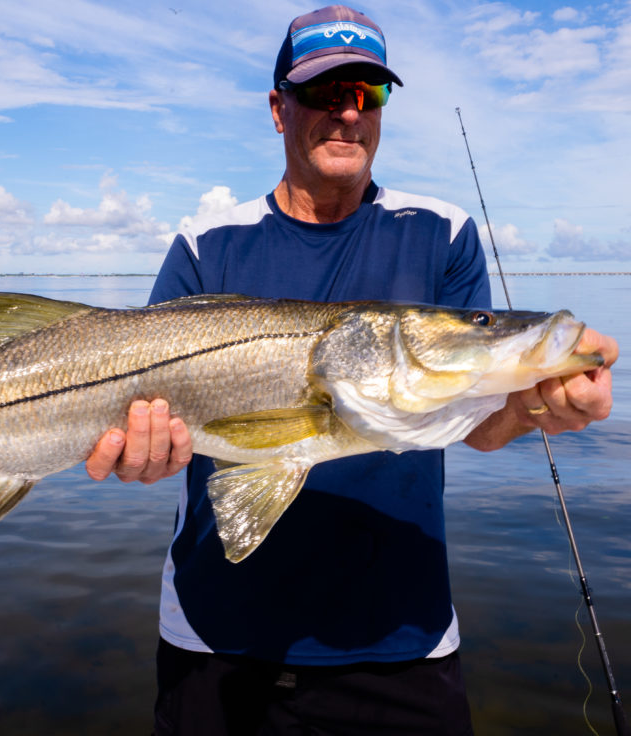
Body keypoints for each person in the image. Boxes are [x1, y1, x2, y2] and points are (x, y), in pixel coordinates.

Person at [84, 5, 620, 735]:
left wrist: (534, 407)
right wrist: (138, 456)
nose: (347, 112)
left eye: (367, 93)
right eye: (322, 92)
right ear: (279, 109)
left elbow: (475, 425)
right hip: (215, 637)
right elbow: (145, 423)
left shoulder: (442, 231)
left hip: (401, 636)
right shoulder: (206, 242)